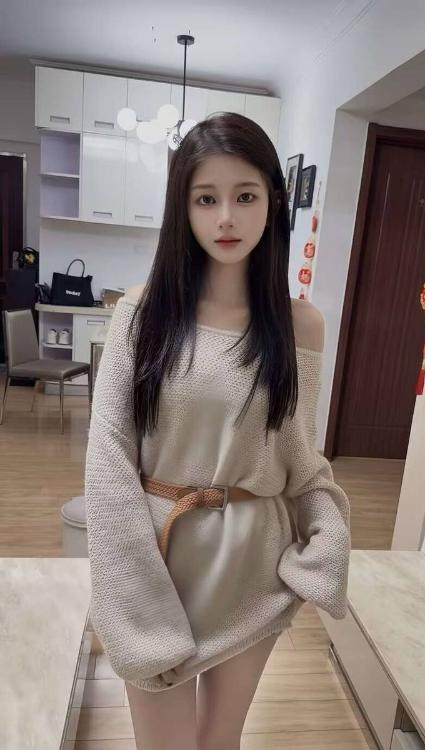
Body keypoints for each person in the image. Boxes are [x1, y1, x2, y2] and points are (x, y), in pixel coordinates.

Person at [84, 112, 351, 750]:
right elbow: (108, 459)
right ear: (184, 208)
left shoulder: (300, 325)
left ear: (274, 203)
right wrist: (131, 589)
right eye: (206, 199)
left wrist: (328, 532)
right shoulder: (141, 312)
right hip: (158, 560)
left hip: (253, 566)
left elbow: (300, 457)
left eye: (245, 196)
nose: (226, 218)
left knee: (220, 742)